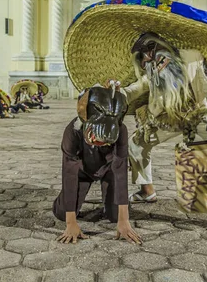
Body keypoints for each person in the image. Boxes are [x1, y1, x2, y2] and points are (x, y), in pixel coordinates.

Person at [63, 0, 207, 236]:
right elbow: (131, 91)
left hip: (199, 119)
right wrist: (111, 89)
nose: (149, 56)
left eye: (151, 48)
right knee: (136, 145)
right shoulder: (151, 75)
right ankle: (147, 191)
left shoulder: (192, 59)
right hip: (167, 120)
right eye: (142, 56)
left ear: (162, 44)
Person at [53, 85, 141, 245]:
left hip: (108, 170)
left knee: (115, 217)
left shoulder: (121, 131)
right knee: (61, 213)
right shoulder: (72, 132)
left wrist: (124, 220)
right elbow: (69, 175)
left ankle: (111, 207)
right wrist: (71, 223)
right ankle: (65, 201)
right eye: (95, 139)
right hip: (81, 171)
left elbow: (120, 172)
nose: (99, 144)